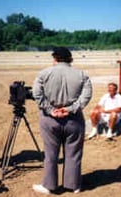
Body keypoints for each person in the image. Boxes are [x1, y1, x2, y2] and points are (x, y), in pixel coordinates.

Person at [32, 47, 92, 194]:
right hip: (74, 119)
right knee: (74, 153)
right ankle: (73, 185)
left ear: (55, 59)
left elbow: (37, 94)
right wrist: (70, 109)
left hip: (49, 119)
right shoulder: (82, 75)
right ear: (70, 60)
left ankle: (49, 185)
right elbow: (86, 96)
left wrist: (50, 109)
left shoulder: (43, 74)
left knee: (50, 154)